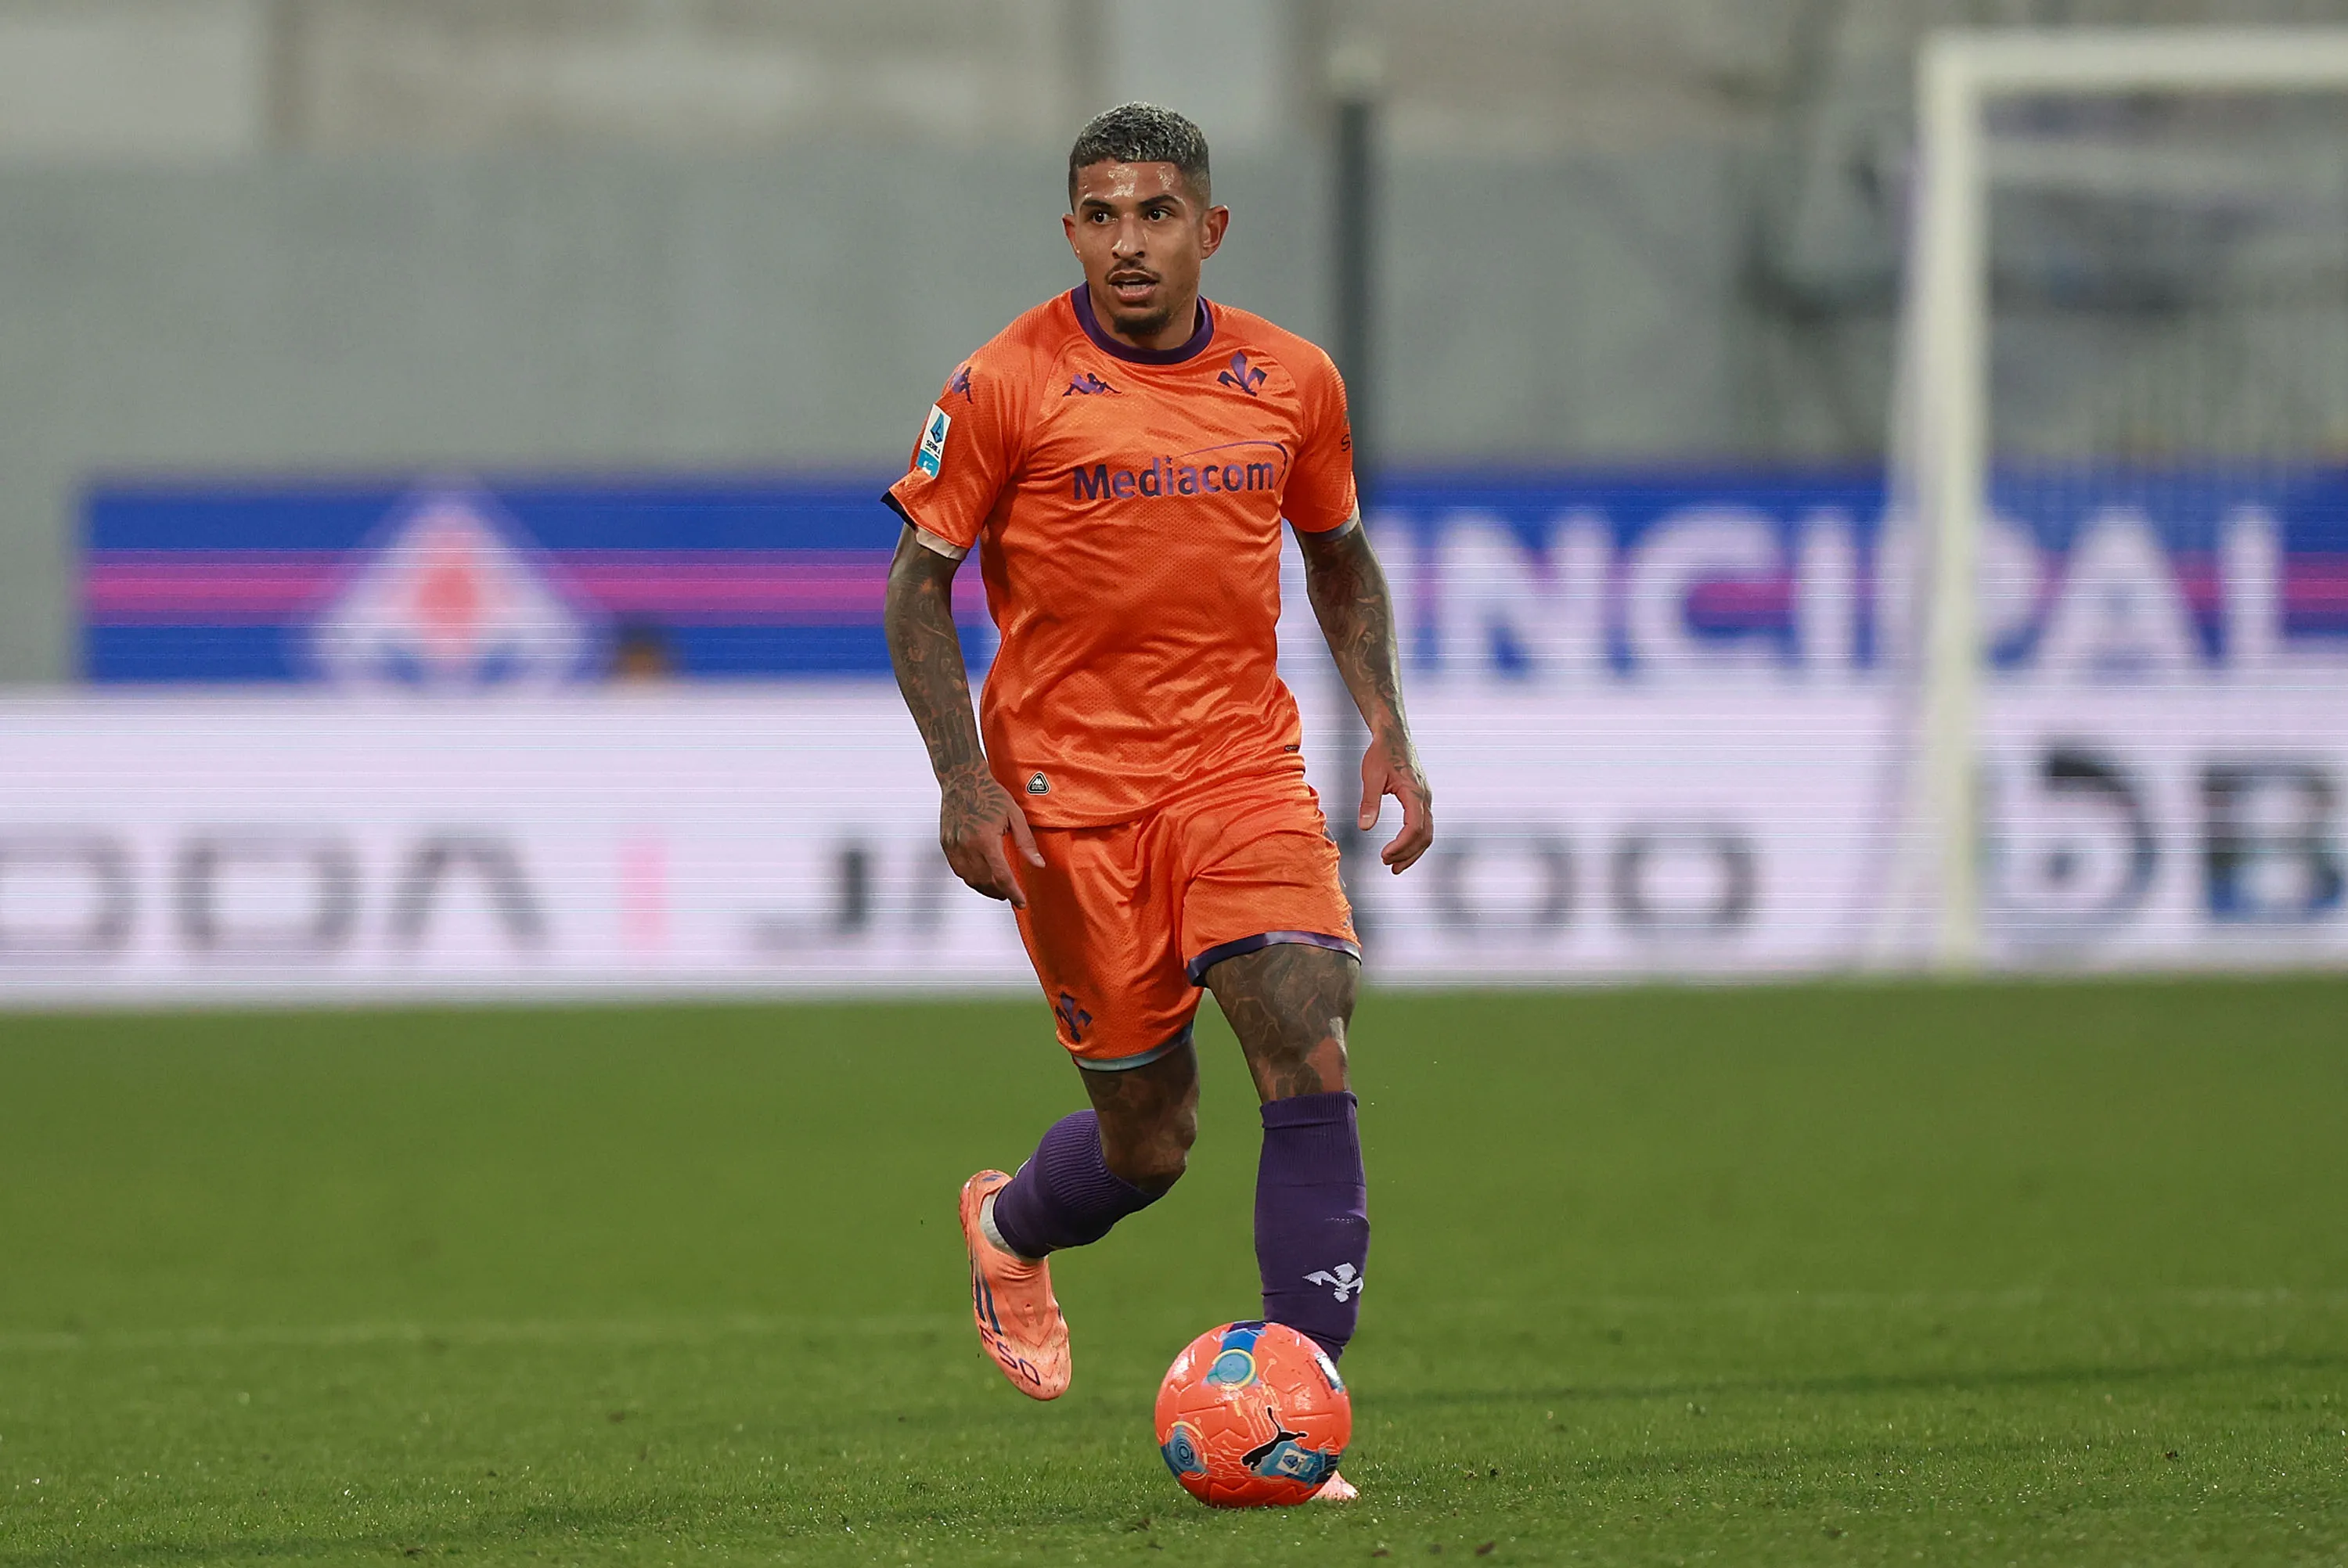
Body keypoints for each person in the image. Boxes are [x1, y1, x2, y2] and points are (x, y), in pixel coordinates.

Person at [880, 102, 1431, 1502]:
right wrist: (963, 776)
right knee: (1152, 1141)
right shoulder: (1007, 381)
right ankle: (1010, 1225)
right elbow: (916, 585)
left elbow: (1341, 558)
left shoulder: (1291, 379)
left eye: (1158, 213)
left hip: (1239, 767)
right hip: (1071, 802)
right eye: (1103, 215)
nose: (1130, 242)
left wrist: (1387, 730)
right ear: (1071, 229)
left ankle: (1301, 1409)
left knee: (1305, 1025)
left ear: (1210, 229)